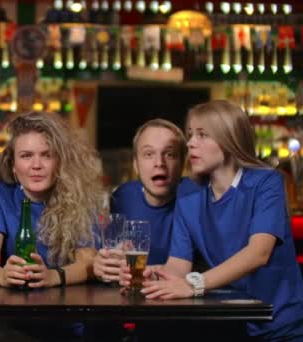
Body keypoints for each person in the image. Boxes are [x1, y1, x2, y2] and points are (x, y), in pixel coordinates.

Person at [127, 100, 303, 340]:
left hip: (280, 327)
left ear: (229, 139)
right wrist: (154, 278)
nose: (190, 143)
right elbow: (178, 265)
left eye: (202, 135)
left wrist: (194, 284)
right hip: (230, 327)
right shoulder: (189, 194)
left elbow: (258, 253)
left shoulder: (266, 182)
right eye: (190, 135)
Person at [0, 111, 105, 341]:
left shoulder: (80, 195)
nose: (36, 165)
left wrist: (51, 276)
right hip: (17, 324)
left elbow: (89, 262)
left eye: (46, 155)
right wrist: (4, 275)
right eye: (26, 156)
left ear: (60, 162)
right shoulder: (0, 193)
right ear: (13, 165)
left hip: (70, 322)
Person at [94, 119, 194, 282]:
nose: (159, 163)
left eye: (169, 154)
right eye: (149, 154)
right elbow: (111, 257)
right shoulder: (122, 196)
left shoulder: (195, 197)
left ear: (183, 162)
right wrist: (99, 265)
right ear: (136, 164)